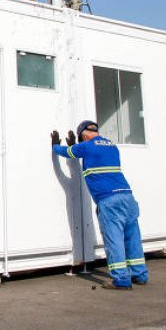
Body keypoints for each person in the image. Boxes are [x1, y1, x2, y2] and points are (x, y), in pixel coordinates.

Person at [51, 121, 148, 290]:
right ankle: (139, 275)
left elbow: (67, 152)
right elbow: (94, 157)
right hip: (127, 196)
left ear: (83, 135)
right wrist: (79, 146)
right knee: (132, 238)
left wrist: (55, 146)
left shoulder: (87, 146)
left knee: (114, 239)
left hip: (109, 200)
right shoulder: (112, 146)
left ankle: (121, 280)